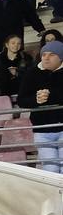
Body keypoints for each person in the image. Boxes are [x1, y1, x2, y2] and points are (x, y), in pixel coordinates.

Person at [19, 40, 63, 173]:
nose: (46, 58)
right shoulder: (32, 73)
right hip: (42, 130)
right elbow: (22, 100)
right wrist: (36, 100)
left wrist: (49, 96)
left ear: (61, 57)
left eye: (51, 55)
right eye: (44, 54)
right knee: (51, 169)